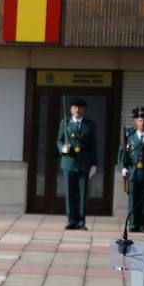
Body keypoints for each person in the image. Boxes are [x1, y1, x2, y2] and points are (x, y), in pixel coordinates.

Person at [56, 98, 96, 230]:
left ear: (83, 109)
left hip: (84, 163)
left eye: (79, 108)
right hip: (69, 162)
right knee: (70, 193)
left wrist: (94, 164)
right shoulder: (65, 123)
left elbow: (93, 146)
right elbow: (59, 141)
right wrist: (62, 148)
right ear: (71, 109)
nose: (77, 110)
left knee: (82, 193)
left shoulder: (89, 125)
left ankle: (81, 221)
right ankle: (71, 220)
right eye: (74, 107)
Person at [119, 107, 144, 233]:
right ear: (136, 121)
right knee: (133, 199)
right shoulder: (129, 136)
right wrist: (123, 167)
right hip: (133, 172)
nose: (143, 123)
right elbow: (122, 153)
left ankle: (143, 224)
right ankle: (133, 224)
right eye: (140, 120)